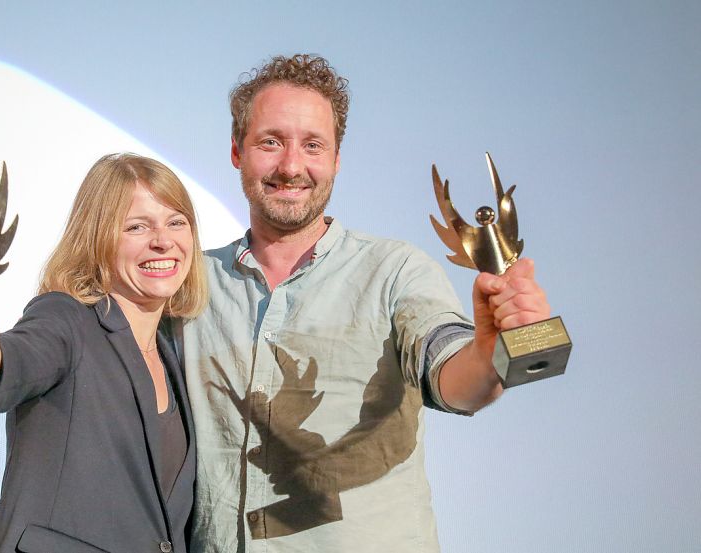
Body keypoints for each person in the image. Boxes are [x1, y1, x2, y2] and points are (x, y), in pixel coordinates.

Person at [175, 54, 553, 552]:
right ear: (236, 151)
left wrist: (492, 350)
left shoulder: (396, 271)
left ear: (336, 159)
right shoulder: (185, 283)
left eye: (313, 145)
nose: (292, 166)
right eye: (271, 141)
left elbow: (459, 381)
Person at [0, 153, 207, 553]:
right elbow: (25, 355)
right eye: (136, 226)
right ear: (97, 239)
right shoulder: (67, 319)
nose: (163, 240)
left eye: (176, 222)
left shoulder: (173, 354)